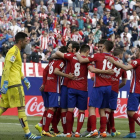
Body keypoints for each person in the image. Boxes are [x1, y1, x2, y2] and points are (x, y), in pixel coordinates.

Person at [55, 44, 114, 137]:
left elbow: (57, 52)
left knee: (70, 110)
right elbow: (91, 69)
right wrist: (106, 72)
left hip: (72, 87)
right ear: (87, 52)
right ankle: (78, 132)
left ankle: (69, 133)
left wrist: (72, 53)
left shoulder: (71, 56)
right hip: (83, 89)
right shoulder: (87, 61)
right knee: (82, 111)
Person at [0, 32, 41, 139]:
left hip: (11, 83)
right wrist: (5, 83)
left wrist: (25, 79)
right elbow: (7, 66)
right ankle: (28, 133)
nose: (27, 43)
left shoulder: (16, 51)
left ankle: (28, 133)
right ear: (20, 41)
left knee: (2, 107)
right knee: (21, 107)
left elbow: (16, 68)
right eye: (26, 41)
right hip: (14, 84)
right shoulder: (13, 51)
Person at [75, 40, 115, 138]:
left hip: (98, 86)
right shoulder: (112, 58)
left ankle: (94, 130)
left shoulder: (97, 56)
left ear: (104, 47)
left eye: (101, 46)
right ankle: (103, 131)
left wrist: (76, 53)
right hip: (108, 86)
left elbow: (82, 61)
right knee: (102, 109)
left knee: (92, 108)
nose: (99, 48)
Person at [40, 46, 76, 137]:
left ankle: (47, 128)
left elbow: (45, 71)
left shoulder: (52, 61)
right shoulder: (61, 61)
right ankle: (46, 129)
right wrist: (67, 75)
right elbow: (56, 71)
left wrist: (44, 83)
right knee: (53, 108)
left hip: (47, 85)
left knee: (48, 109)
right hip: (54, 87)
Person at [106, 46, 140, 138]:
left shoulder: (137, 61)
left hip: (135, 90)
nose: (136, 52)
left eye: (137, 51)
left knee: (131, 112)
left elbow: (126, 67)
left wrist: (114, 62)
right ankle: (132, 132)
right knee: (130, 110)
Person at [105, 48, 127, 137]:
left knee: (106, 109)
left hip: (106, 86)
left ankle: (108, 130)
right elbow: (124, 82)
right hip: (114, 89)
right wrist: (116, 87)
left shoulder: (109, 61)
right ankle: (110, 129)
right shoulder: (122, 65)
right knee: (110, 110)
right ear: (121, 55)